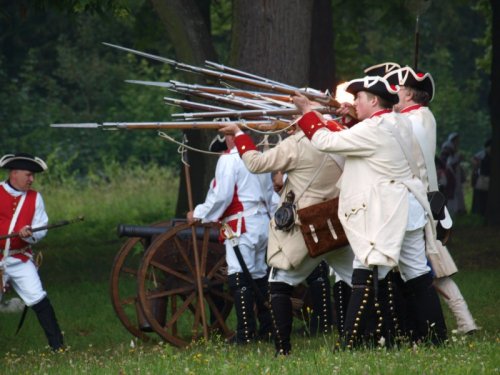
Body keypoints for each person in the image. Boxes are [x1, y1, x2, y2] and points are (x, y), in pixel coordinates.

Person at [293, 75, 447, 348]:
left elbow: (326, 142)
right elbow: (355, 138)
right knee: (416, 273)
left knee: (363, 267)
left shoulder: (375, 128)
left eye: (359, 98)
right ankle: (434, 337)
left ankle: (352, 341)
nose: (354, 103)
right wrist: (350, 119)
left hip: (386, 213)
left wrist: (308, 113)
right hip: (406, 208)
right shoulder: (397, 120)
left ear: (374, 100)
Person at [218, 121, 354, 356]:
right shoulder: (337, 138)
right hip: (337, 223)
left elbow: (255, 162)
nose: (289, 131)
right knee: (363, 280)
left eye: (291, 125)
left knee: (279, 284)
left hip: (308, 225)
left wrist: (239, 133)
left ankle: (283, 349)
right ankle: (380, 334)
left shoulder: (297, 144)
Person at [386, 66, 478, 335]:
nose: (394, 95)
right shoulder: (417, 116)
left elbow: (392, 130)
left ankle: (463, 320)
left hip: (419, 203)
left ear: (411, 95)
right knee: (428, 268)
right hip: (421, 201)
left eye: (399, 91)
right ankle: (457, 321)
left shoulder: (415, 120)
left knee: (433, 269)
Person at [187, 134, 275, 344]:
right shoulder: (259, 156)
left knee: (238, 276)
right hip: (260, 223)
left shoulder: (228, 159)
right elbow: (270, 194)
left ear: (228, 137)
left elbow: (222, 196)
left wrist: (198, 213)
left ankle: (246, 333)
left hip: (240, 225)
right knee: (258, 274)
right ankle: (267, 328)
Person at [0, 153, 64, 351]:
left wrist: (28, 235)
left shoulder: (36, 198)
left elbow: (40, 229)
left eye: (33, 176)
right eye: (28, 175)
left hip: (20, 258)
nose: (32, 180)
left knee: (39, 299)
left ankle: (58, 348)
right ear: (14, 173)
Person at [440, 132, 466, 216]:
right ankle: (452, 210)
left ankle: (457, 209)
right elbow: (449, 163)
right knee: (451, 191)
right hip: (449, 173)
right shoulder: (448, 148)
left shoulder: (453, 149)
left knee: (456, 191)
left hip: (454, 173)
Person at [471, 138, 491, 216]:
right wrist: (476, 167)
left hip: (489, 179)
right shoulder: (482, 154)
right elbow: (474, 160)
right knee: (480, 197)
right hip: (482, 178)